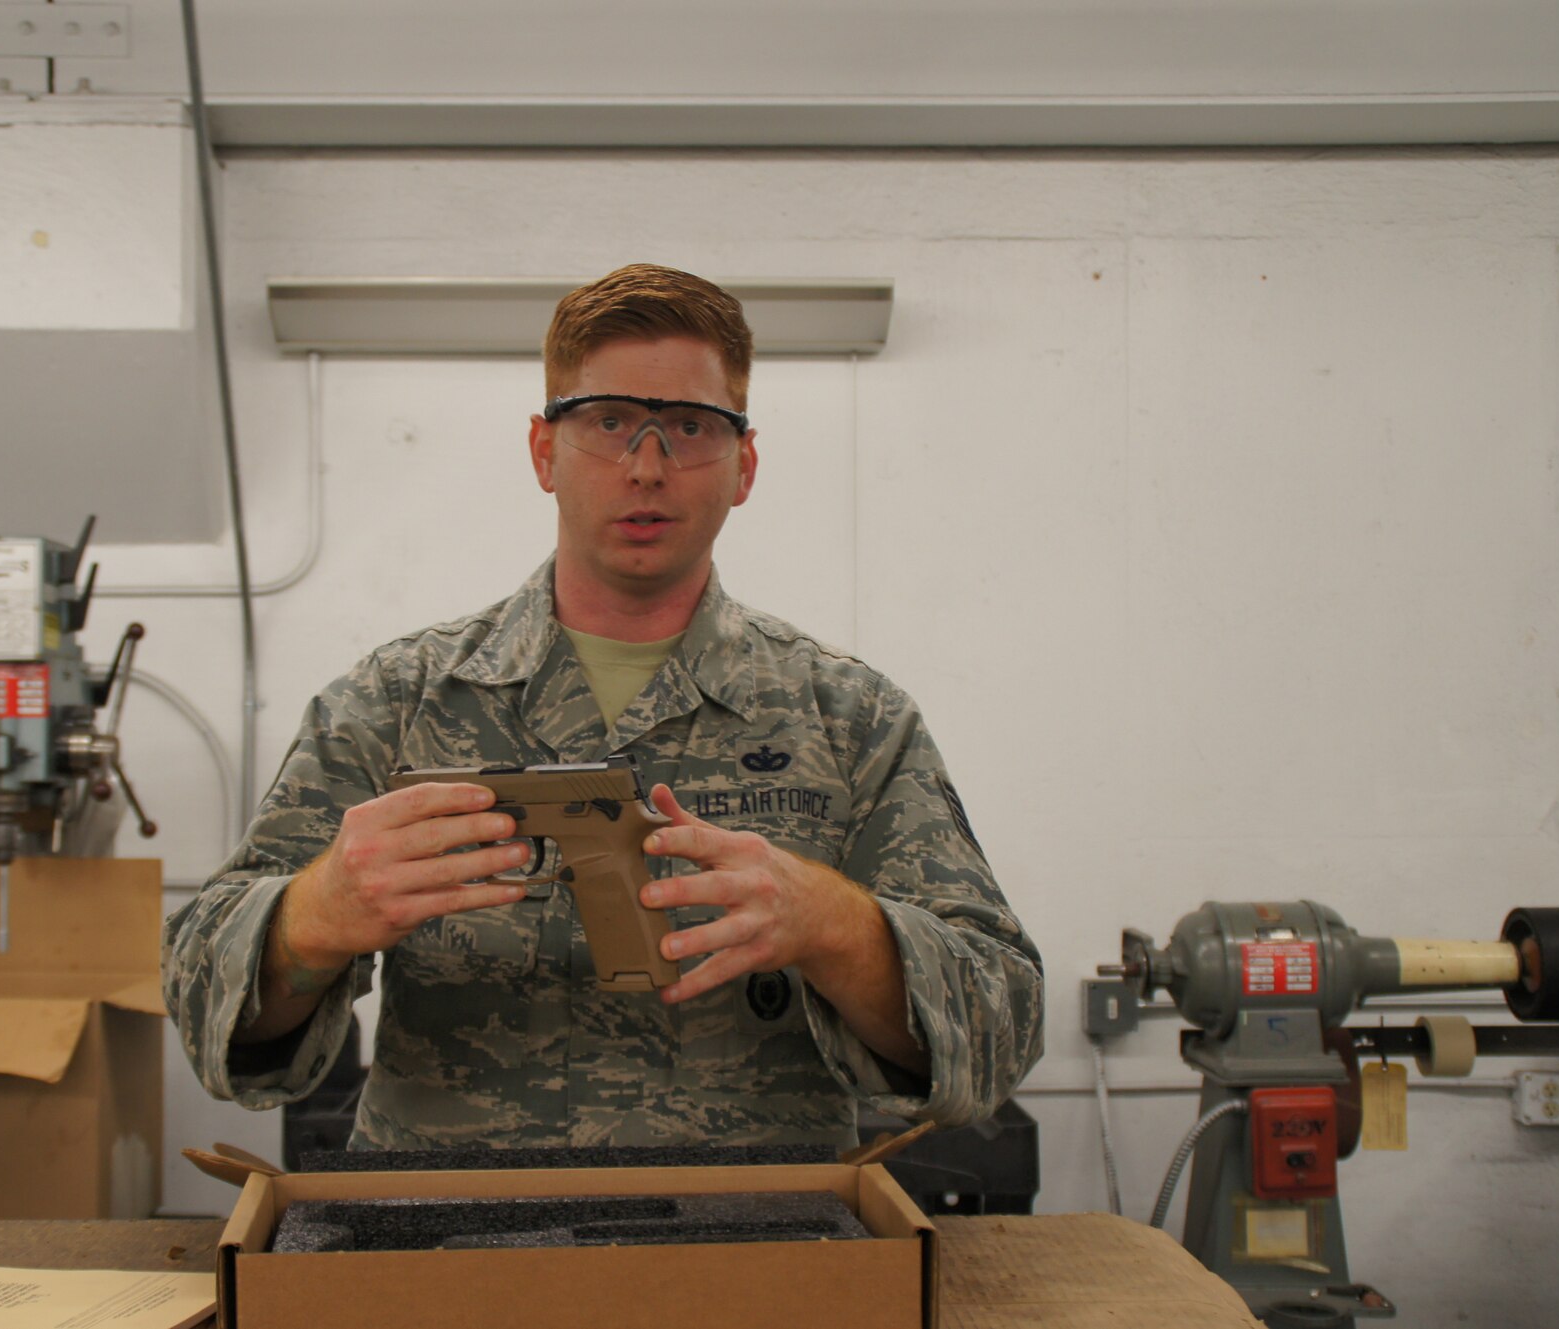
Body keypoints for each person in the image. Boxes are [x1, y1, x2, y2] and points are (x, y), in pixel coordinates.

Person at [163, 264, 1043, 1149]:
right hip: (446, 1254)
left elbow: (1000, 1024)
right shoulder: (394, 704)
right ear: (545, 451)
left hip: (754, 1254)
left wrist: (836, 926)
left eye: (691, 427)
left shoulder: (848, 719)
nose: (647, 466)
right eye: (609, 422)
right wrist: (312, 915)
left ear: (744, 465)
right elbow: (201, 1002)